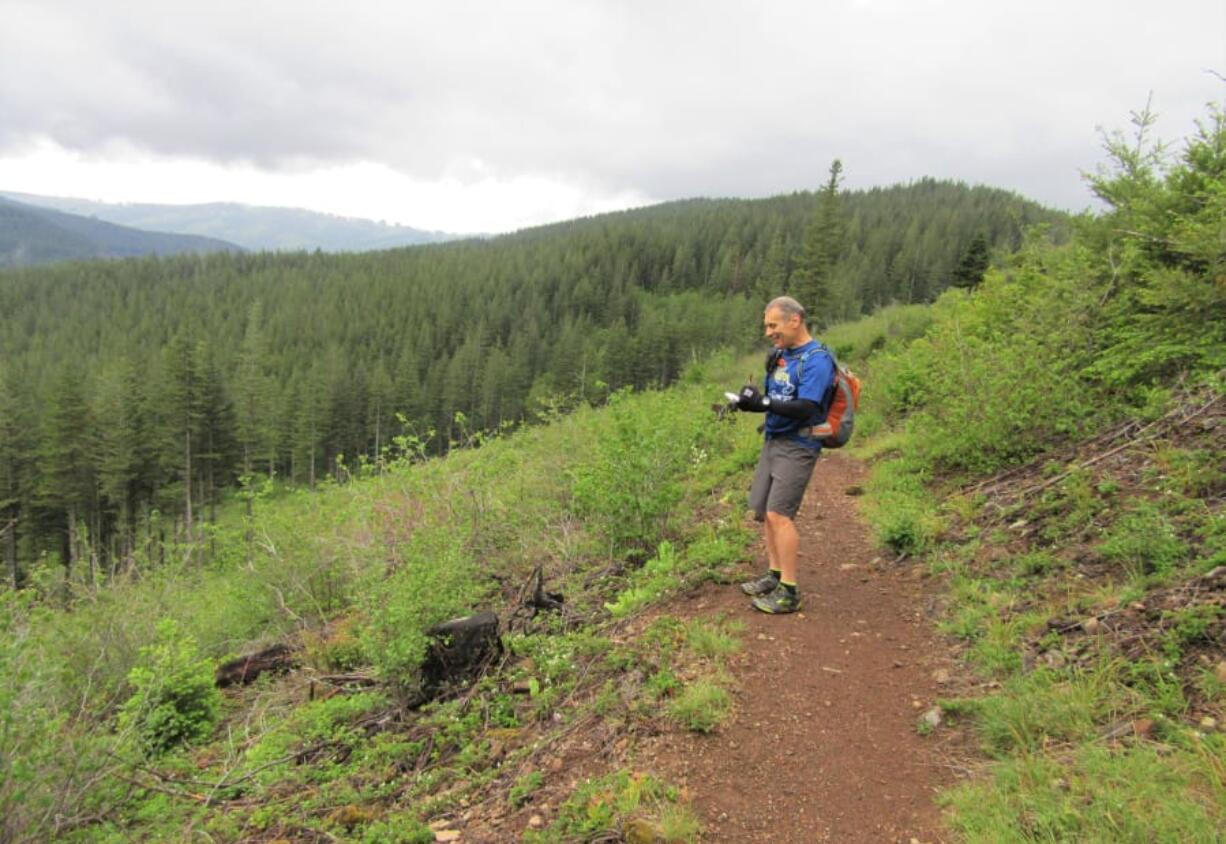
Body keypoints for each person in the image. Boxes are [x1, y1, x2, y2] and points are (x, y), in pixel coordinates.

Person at [733, 296, 835, 614]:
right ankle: (775, 574)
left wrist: (764, 404)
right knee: (765, 511)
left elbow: (808, 407)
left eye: (773, 325)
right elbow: (777, 396)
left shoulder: (817, 359)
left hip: (798, 445)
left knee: (780, 515)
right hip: (774, 440)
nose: (768, 332)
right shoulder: (780, 355)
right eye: (766, 325)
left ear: (795, 320)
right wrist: (749, 402)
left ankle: (789, 591)